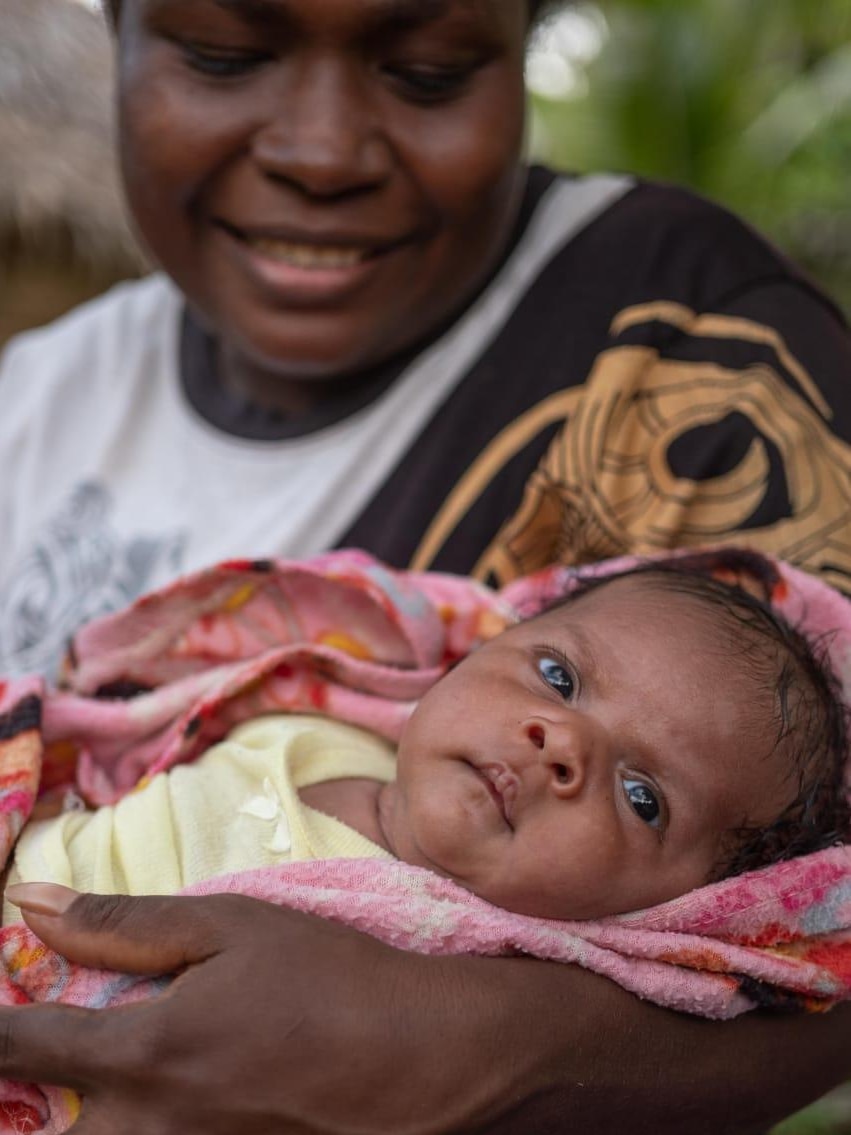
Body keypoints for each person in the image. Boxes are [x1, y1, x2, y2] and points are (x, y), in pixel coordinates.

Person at [1, 0, 851, 1131]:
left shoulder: (698, 369)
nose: (320, 151)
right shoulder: (40, 391)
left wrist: (497, 1045)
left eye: (427, 71)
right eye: (221, 55)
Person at [6, 565, 848, 927]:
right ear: (475, 648)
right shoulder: (308, 729)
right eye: (556, 676)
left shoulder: (439, 973)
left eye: (643, 797)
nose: (558, 744)